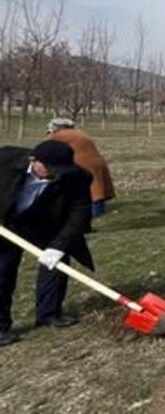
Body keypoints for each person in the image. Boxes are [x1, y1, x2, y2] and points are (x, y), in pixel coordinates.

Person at [0, 141, 95, 346]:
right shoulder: (5, 160)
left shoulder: (77, 176)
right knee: (2, 271)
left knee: (56, 265)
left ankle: (49, 313)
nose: (57, 173)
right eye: (51, 168)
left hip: (45, 224)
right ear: (34, 161)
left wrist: (58, 246)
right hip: (5, 221)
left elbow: (79, 212)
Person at [46, 118, 115, 218]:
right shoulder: (79, 133)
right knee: (97, 188)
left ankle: (92, 213)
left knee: (86, 188)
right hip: (96, 162)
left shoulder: (61, 134)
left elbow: (48, 146)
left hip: (83, 164)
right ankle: (98, 211)